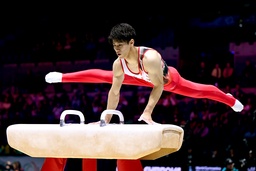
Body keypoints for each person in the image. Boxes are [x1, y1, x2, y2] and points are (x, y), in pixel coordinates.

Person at [42, 23, 244, 171]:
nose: (117, 50)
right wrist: (107, 120)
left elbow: (158, 86)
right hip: (138, 77)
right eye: (114, 46)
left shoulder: (150, 57)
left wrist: (147, 113)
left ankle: (229, 99)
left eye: (120, 45)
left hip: (167, 80)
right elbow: (114, 92)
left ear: (131, 42)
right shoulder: (118, 62)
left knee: (201, 91)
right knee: (105, 77)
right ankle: (62, 76)